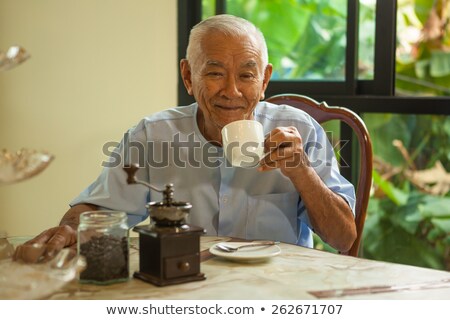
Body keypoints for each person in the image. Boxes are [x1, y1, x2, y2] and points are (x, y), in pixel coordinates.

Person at [14, 14, 356, 262]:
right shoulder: (153, 135)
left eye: (246, 75)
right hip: (183, 281)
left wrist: (303, 174)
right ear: (188, 76)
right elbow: (100, 208)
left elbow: (344, 238)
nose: (232, 91)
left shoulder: (302, 130)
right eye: (214, 73)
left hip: (281, 291)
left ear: (264, 80)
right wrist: (72, 229)